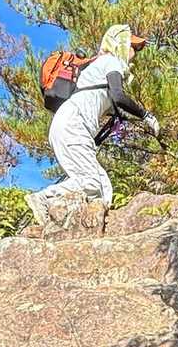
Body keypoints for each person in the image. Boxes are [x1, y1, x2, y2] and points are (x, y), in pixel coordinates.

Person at [26, 24, 159, 225]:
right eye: (132, 46)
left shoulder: (98, 68)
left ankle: (81, 227)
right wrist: (146, 116)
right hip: (73, 124)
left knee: (102, 188)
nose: (135, 52)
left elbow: (114, 104)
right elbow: (118, 96)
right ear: (119, 43)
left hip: (67, 125)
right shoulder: (111, 61)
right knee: (91, 182)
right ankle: (45, 198)